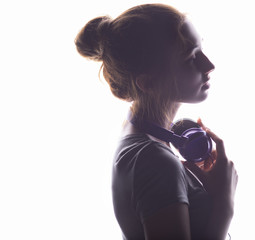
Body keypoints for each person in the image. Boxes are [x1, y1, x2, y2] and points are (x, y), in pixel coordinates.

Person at [75, 4, 238, 240]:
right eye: (191, 57)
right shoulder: (154, 159)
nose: (209, 65)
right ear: (148, 83)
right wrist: (224, 206)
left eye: (201, 49)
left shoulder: (139, 136)